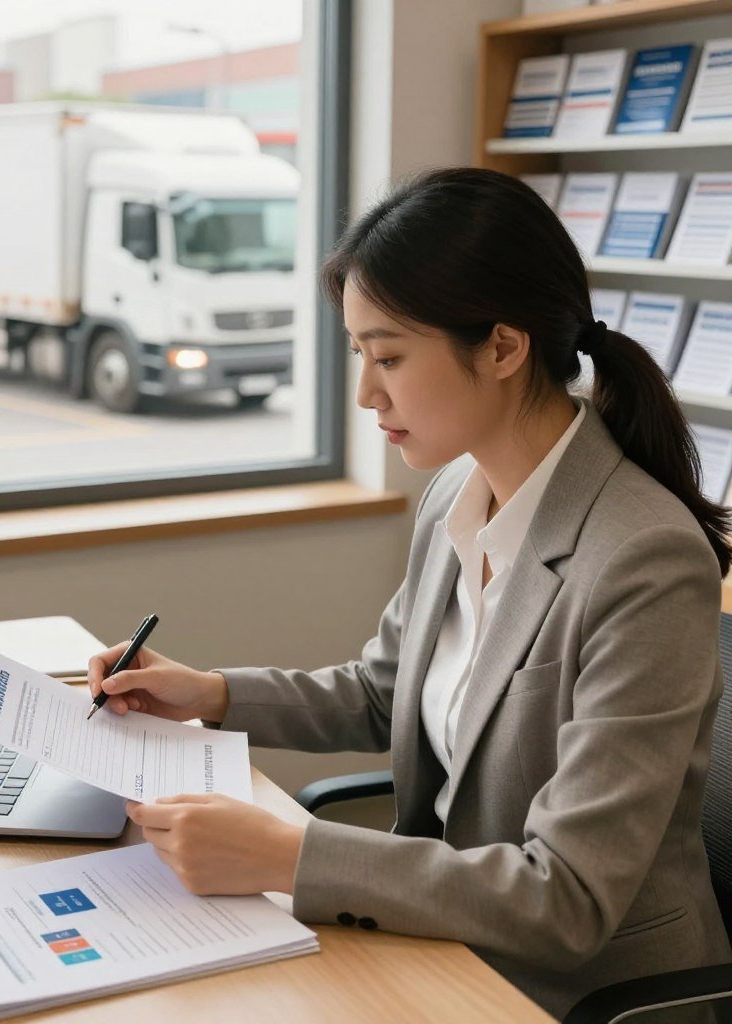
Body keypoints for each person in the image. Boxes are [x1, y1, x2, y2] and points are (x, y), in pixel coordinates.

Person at [87, 167, 732, 1019]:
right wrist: (209, 694)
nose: (366, 393)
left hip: (581, 993)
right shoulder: (454, 497)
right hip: (446, 943)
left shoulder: (643, 560)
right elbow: (383, 692)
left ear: (504, 348)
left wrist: (289, 855)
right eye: (360, 355)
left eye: (388, 356)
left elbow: (566, 896)